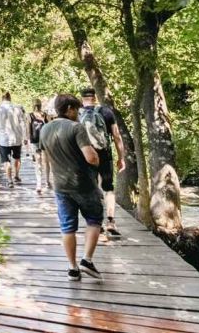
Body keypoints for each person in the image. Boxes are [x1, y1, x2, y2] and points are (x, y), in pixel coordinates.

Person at [40, 93, 103, 281]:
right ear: (69, 109)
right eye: (76, 109)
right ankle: (87, 260)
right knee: (94, 219)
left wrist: (46, 179)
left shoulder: (45, 129)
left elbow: (45, 158)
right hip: (83, 184)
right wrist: (97, 159)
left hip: (60, 185)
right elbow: (90, 157)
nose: (78, 113)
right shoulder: (76, 127)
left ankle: (73, 268)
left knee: (67, 227)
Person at [79, 88, 126, 239]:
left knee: (91, 189)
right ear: (95, 97)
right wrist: (121, 158)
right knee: (108, 187)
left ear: (82, 99)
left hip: (86, 156)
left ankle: (95, 223)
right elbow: (116, 136)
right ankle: (111, 221)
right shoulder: (106, 112)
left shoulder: (78, 113)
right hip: (105, 154)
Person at [0, 91, 25, 187]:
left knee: (6, 161)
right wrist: (25, 136)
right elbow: (23, 123)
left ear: (2, 99)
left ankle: (9, 180)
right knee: (17, 158)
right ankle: (16, 175)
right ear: (10, 98)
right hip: (17, 138)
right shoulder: (17, 109)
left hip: (3, 139)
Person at [28, 100, 50, 194]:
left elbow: (28, 129)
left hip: (35, 140)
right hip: (45, 139)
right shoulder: (45, 115)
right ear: (41, 105)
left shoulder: (30, 115)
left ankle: (39, 183)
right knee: (46, 161)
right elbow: (49, 127)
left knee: (38, 162)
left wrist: (27, 141)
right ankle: (47, 181)